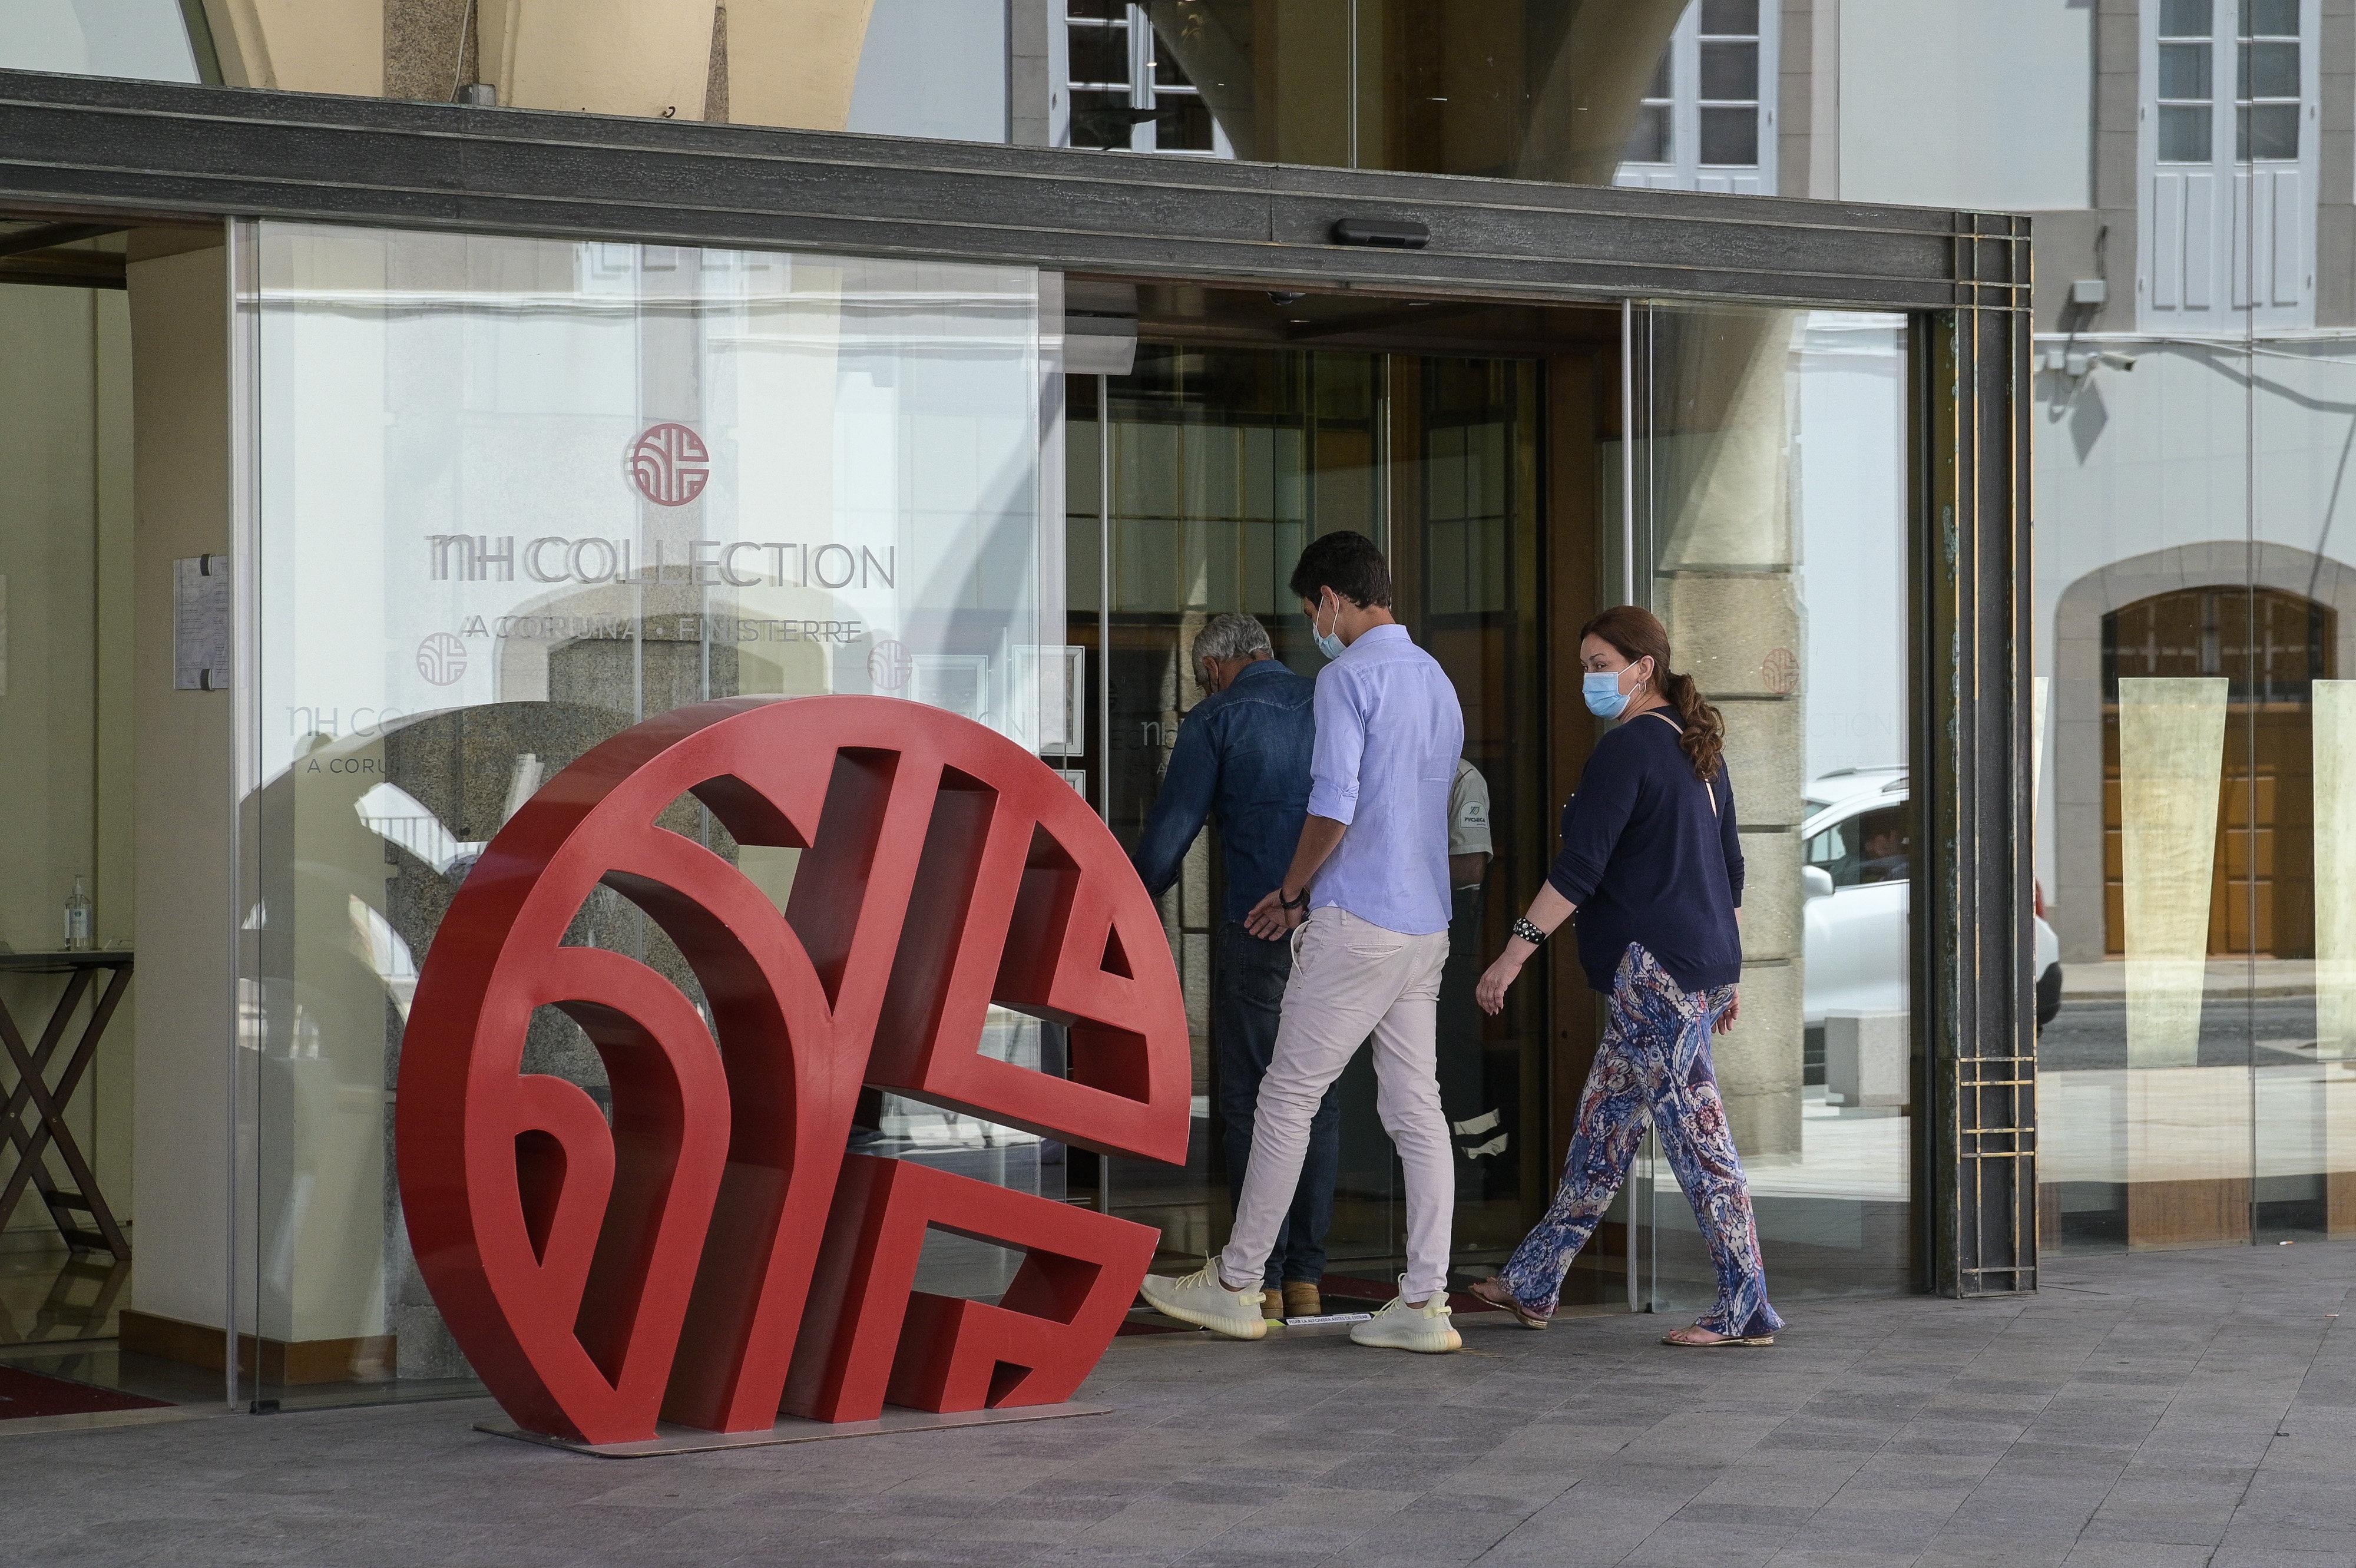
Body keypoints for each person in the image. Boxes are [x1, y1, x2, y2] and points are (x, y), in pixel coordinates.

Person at [1139, 531, 1467, 1354]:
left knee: (1286, 1096)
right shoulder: (1436, 678)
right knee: (1415, 1108)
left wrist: (1292, 894)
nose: (1314, 623)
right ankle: (1425, 1302)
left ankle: (1238, 1281)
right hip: (1426, 925)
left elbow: (1337, 803)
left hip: (1357, 920)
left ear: (1331, 599)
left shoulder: (1347, 677)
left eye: (1312, 607)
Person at [1467, 605, 1783, 1348]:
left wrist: (1511, 955)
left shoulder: (1628, 750)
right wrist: (1723, 978)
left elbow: (1579, 871)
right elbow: (1730, 871)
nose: (1589, 679)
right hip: (1689, 970)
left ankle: (1746, 1306)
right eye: (1585, 666)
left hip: (1656, 975)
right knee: (1602, 1133)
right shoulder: (1693, 745)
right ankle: (1534, 1280)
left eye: (1599, 666)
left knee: (1700, 1142)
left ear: (1643, 669)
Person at [1128, 612, 1339, 1324]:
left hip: (1255, 929)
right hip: (1333, 927)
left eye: (1199, 677)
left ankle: (1261, 1278)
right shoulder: (1331, 703)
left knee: (1253, 1103)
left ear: (1215, 666)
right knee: (1319, 1099)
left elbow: (1170, 833)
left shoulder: (1218, 716)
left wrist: (1118, 910)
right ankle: (1307, 1275)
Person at [1438, 760, 1507, 1170]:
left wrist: (1400, 866)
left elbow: (1470, 866)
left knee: (1453, 1047)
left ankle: (1482, 1160)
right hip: (1396, 928)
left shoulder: (1462, 777)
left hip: (1452, 934)